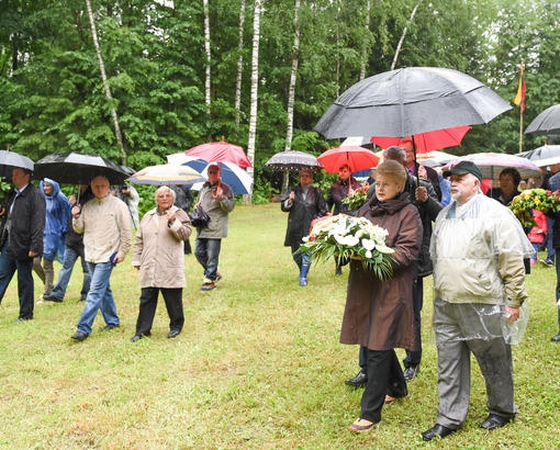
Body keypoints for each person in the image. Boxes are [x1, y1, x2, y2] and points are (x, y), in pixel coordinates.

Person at [421, 161, 534, 441]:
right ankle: (449, 417)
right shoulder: (446, 215)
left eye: (461, 178)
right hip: (447, 301)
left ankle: (501, 410)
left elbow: (511, 259)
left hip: (483, 300)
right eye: (451, 178)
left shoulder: (496, 214)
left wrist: (513, 300)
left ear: (477, 183)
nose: (454, 182)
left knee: (493, 358)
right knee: (448, 361)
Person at [347, 146, 441, 388]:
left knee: (411, 313)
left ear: (404, 163)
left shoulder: (423, 184)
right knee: (371, 314)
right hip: (375, 262)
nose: (389, 167)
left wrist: (426, 199)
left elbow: (440, 216)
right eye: (386, 162)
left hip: (411, 261)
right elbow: (364, 217)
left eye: (396, 162)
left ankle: (412, 361)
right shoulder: (375, 188)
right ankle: (366, 367)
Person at [340, 160, 422, 433]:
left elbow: (408, 251)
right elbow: (351, 236)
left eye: (387, 183)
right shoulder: (367, 208)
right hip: (366, 286)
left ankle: (370, 413)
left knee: (377, 343)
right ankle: (397, 388)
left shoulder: (410, 213)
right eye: (377, 182)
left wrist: (374, 256)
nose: (381, 188)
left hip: (391, 288)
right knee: (374, 336)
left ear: (400, 186)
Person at [70, 175, 132, 341]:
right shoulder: (87, 205)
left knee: (95, 291)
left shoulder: (119, 205)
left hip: (108, 254)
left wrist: (123, 251)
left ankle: (83, 328)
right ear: (91, 187)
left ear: (108, 186)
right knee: (104, 290)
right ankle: (112, 321)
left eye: (103, 185)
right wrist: (76, 216)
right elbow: (79, 229)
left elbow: (126, 231)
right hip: (90, 253)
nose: (100, 189)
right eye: (96, 186)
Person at [130, 186, 192, 342]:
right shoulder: (148, 216)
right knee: (146, 298)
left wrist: (173, 221)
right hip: (149, 263)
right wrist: (137, 259)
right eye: (161, 196)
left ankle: (176, 326)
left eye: (167, 196)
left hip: (169, 263)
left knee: (173, 298)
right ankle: (142, 330)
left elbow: (185, 235)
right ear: (156, 199)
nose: (164, 198)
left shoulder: (179, 214)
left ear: (172, 198)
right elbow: (139, 240)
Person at [0, 168, 46, 321]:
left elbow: (38, 222)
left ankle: (25, 314)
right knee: (1, 275)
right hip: (9, 241)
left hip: (24, 244)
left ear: (27, 176)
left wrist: (35, 246)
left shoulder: (35, 195)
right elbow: (10, 215)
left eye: (17, 175)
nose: (13, 178)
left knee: (24, 279)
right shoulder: (13, 193)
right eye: (13, 175)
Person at [42, 185, 94, 303]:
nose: (80, 185)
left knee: (87, 270)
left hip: (84, 241)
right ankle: (58, 294)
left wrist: (79, 208)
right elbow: (68, 215)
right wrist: (72, 205)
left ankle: (85, 295)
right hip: (71, 240)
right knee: (66, 267)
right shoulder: (77, 196)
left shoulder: (92, 198)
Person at [281, 168, 328, 287]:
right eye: (302, 176)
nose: (304, 178)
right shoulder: (293, 191)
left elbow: (323, 210)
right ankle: (302, 269)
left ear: (311, 178)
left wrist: (315, 220)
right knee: (295, 253)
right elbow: (283, 207)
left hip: (309, 227)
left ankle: (303, 275)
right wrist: (290, 200)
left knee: (307, 252)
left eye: (307, 176)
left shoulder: (317, 192)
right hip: (295, 226)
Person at [194, 163, 235, 292]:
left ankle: (209, 281)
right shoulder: (204, 188)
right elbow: (199, 202)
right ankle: (214, 272)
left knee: (212, 255)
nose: (212, 175)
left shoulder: (225, 189)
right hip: (202, 225)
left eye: (214, 172)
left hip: (216, 226)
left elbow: (229, 207)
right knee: (198, 252)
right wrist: (197, 207)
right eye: (210, 172)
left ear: (219, 174)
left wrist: (221, 198)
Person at [33, 178, 71, 298]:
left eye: (48, 186)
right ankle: (49, 285)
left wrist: (63, 230)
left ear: (54, 186)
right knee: (35, 263)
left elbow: (67, 214)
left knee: (47, 264)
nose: (45, 188)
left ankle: (47, 292)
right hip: (40, 234)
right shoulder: (41, 197)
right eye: (44, 186)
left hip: (54, 236)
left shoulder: (60, 198)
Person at [326, 164, 361, 275]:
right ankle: (338, 266)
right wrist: (327, 212)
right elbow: (328, 202)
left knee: (352, 241)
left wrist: (355, 196)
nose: (342, 173)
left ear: (350, 172)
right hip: (338, 216)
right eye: (340, 171)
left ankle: (352, 262)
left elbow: (363, 204)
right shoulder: (334, 186)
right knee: (337, 241)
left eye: (345, 171)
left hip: (352, 217)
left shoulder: (357, 186)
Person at [399, 137, 442, 201]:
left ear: (414, 153)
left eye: (405, 151)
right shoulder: (395, 172)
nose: (402, 154)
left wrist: (425, 180)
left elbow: (438, 197)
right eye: (399, 152)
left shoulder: (430, 172)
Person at [170, 184, 194, 254]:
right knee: (174, 229)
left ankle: (187, 250)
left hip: (183, 212)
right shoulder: (171, 187)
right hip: (173, 211)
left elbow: (191, 199)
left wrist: (186, 206)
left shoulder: (185, 187)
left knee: (183, 230)